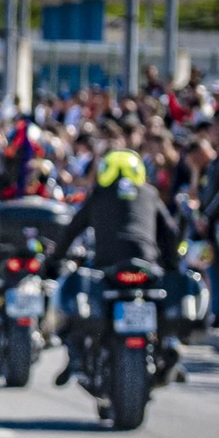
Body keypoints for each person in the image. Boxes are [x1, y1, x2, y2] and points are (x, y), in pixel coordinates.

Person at [49, 148, 181, 386]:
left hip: (108, 266)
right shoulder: (149, 194)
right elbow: (170, 232)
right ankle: (169, 348)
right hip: (146, 266)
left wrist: (55, 258)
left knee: (77, 299)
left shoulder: (100, 194)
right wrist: (171, 265)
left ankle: (76, 354)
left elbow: (72, 229)